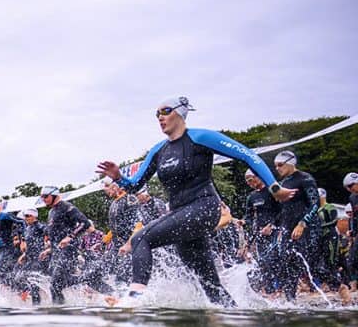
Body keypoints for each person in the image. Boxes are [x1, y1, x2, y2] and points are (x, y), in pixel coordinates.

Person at [96, 96, 277, 306]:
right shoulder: (159, 150)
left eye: (165, 111)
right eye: (157, 114)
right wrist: (118, 177)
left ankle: (134, 297)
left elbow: (247, 155)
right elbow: (135, 185)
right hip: (181, 215)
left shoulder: (199, 137)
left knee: (140, 239)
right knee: (210, 285)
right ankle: (234, 319)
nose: (160, 118)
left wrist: (274, 186)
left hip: (203, 207)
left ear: (180, 112)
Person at [270, 150, 320, 300]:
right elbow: (284, 209)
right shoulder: (283, 183)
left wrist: (302, 224)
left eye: (280, 165)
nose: (277, 168)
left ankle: (341, 290)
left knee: (302, 263)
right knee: (284, 262)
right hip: (287, 228)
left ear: (290, 163)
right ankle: (290, 300)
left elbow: (315, 204)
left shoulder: (305, 179)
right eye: (275, 166)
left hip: (303, 229)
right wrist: (276, 226)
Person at [39, 186, 91, 304]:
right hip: (57, 252)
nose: (43, 199)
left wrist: (70, 237)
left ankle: (58, 312)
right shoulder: (52, 211)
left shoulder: (67, 207)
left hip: (68, 250)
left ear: (54, 195)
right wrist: (49, 250)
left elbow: (85, 223)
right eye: (42, 197)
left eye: (45, 196)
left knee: (54, 285)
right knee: (57, 285)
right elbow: (55, 236)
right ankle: (88, 278)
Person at [242, 168, 279, 293]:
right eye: (247, 182)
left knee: (271, 259)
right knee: (261, 262)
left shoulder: (271, 191)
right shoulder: (251, 197)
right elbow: (249, 217)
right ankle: (268, 291)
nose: (249, 183)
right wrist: (243, 222)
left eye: (251, 180)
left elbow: (282, 211)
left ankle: (276, 289)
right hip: (260, 233)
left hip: (275, 231)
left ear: (258, 177)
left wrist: (272, 225)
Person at [18, 206, 47, 304]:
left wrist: (48, 246)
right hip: (29, 258)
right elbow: (27, 242)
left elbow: (49, 233)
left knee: (34, 285)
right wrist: (24, 254)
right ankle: (31, 297)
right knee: (19, 277)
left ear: (34, 216)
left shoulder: (39, 226)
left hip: (38, 258)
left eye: (27, 216)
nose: (25, 218)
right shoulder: (27, 228)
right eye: (24, 216)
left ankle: (36, 307)